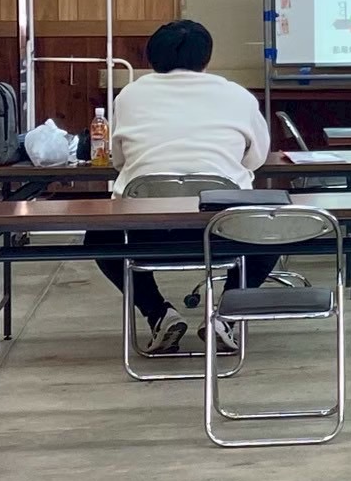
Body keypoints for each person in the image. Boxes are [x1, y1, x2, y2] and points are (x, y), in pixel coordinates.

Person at [91, 20, 274, 353]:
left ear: (153, 56)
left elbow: (118, 160)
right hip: (220, 233)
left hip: (143, 234)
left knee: (100, 237)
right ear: (206, 57)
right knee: (271, 230)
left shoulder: (131, 95)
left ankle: (158, 313)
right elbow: (256, 159)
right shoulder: (237, 95)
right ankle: (225, 317)